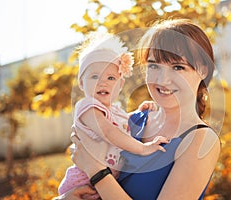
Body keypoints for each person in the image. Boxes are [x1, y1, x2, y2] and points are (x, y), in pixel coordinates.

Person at [57, 18, 222, 200]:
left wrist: (96, 172)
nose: (162, 79)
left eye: (177, 67)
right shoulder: (132, 120)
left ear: (203, 71)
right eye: (153, 66)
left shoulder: (201, 140)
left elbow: (93, 166)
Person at [58, 32, 168, 199]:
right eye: (94, 76)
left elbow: (120, 125)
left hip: (104, 182)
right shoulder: (88, 107)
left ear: (120, 84)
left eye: (111, 77)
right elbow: (109, 131)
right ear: (81, 83)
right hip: (82, 180)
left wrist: (136, 112)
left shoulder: (114, 111)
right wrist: (143, 148)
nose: (103, 82)